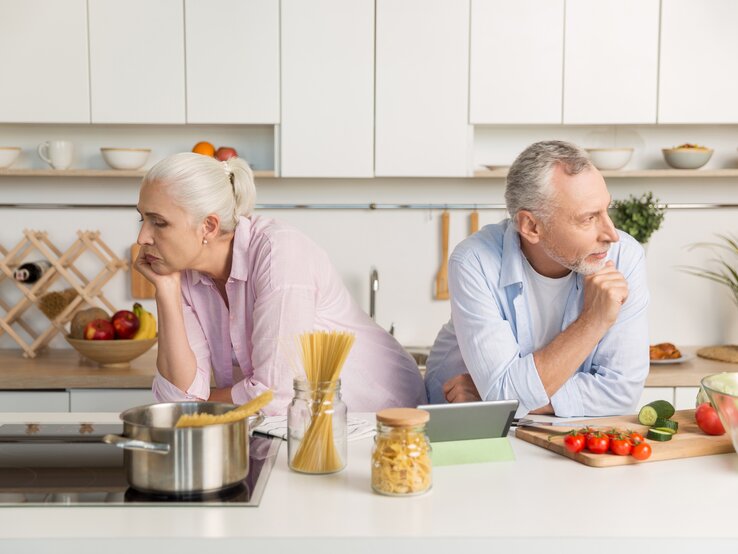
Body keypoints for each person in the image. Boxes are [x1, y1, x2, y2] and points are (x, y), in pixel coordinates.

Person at [135, 152, 426, 415]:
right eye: (142, 220)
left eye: (159, 223)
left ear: (208, 226)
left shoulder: (279, 253)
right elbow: (176, 398)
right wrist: (166, 291)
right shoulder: (183, 271)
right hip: (295, 429)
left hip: (378, 417)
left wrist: (198, 407)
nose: (142, 238)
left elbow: (275, 397)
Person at [424, 140, 649, 417]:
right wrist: (594, 320)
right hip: (464, 425)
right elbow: (503, 396)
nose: (611, 234)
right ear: (531, 226)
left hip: (555, 432)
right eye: (588, 219)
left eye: (606, 210)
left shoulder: (625, 257)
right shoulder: (474, 261)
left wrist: (499, 397)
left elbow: (622, 393)